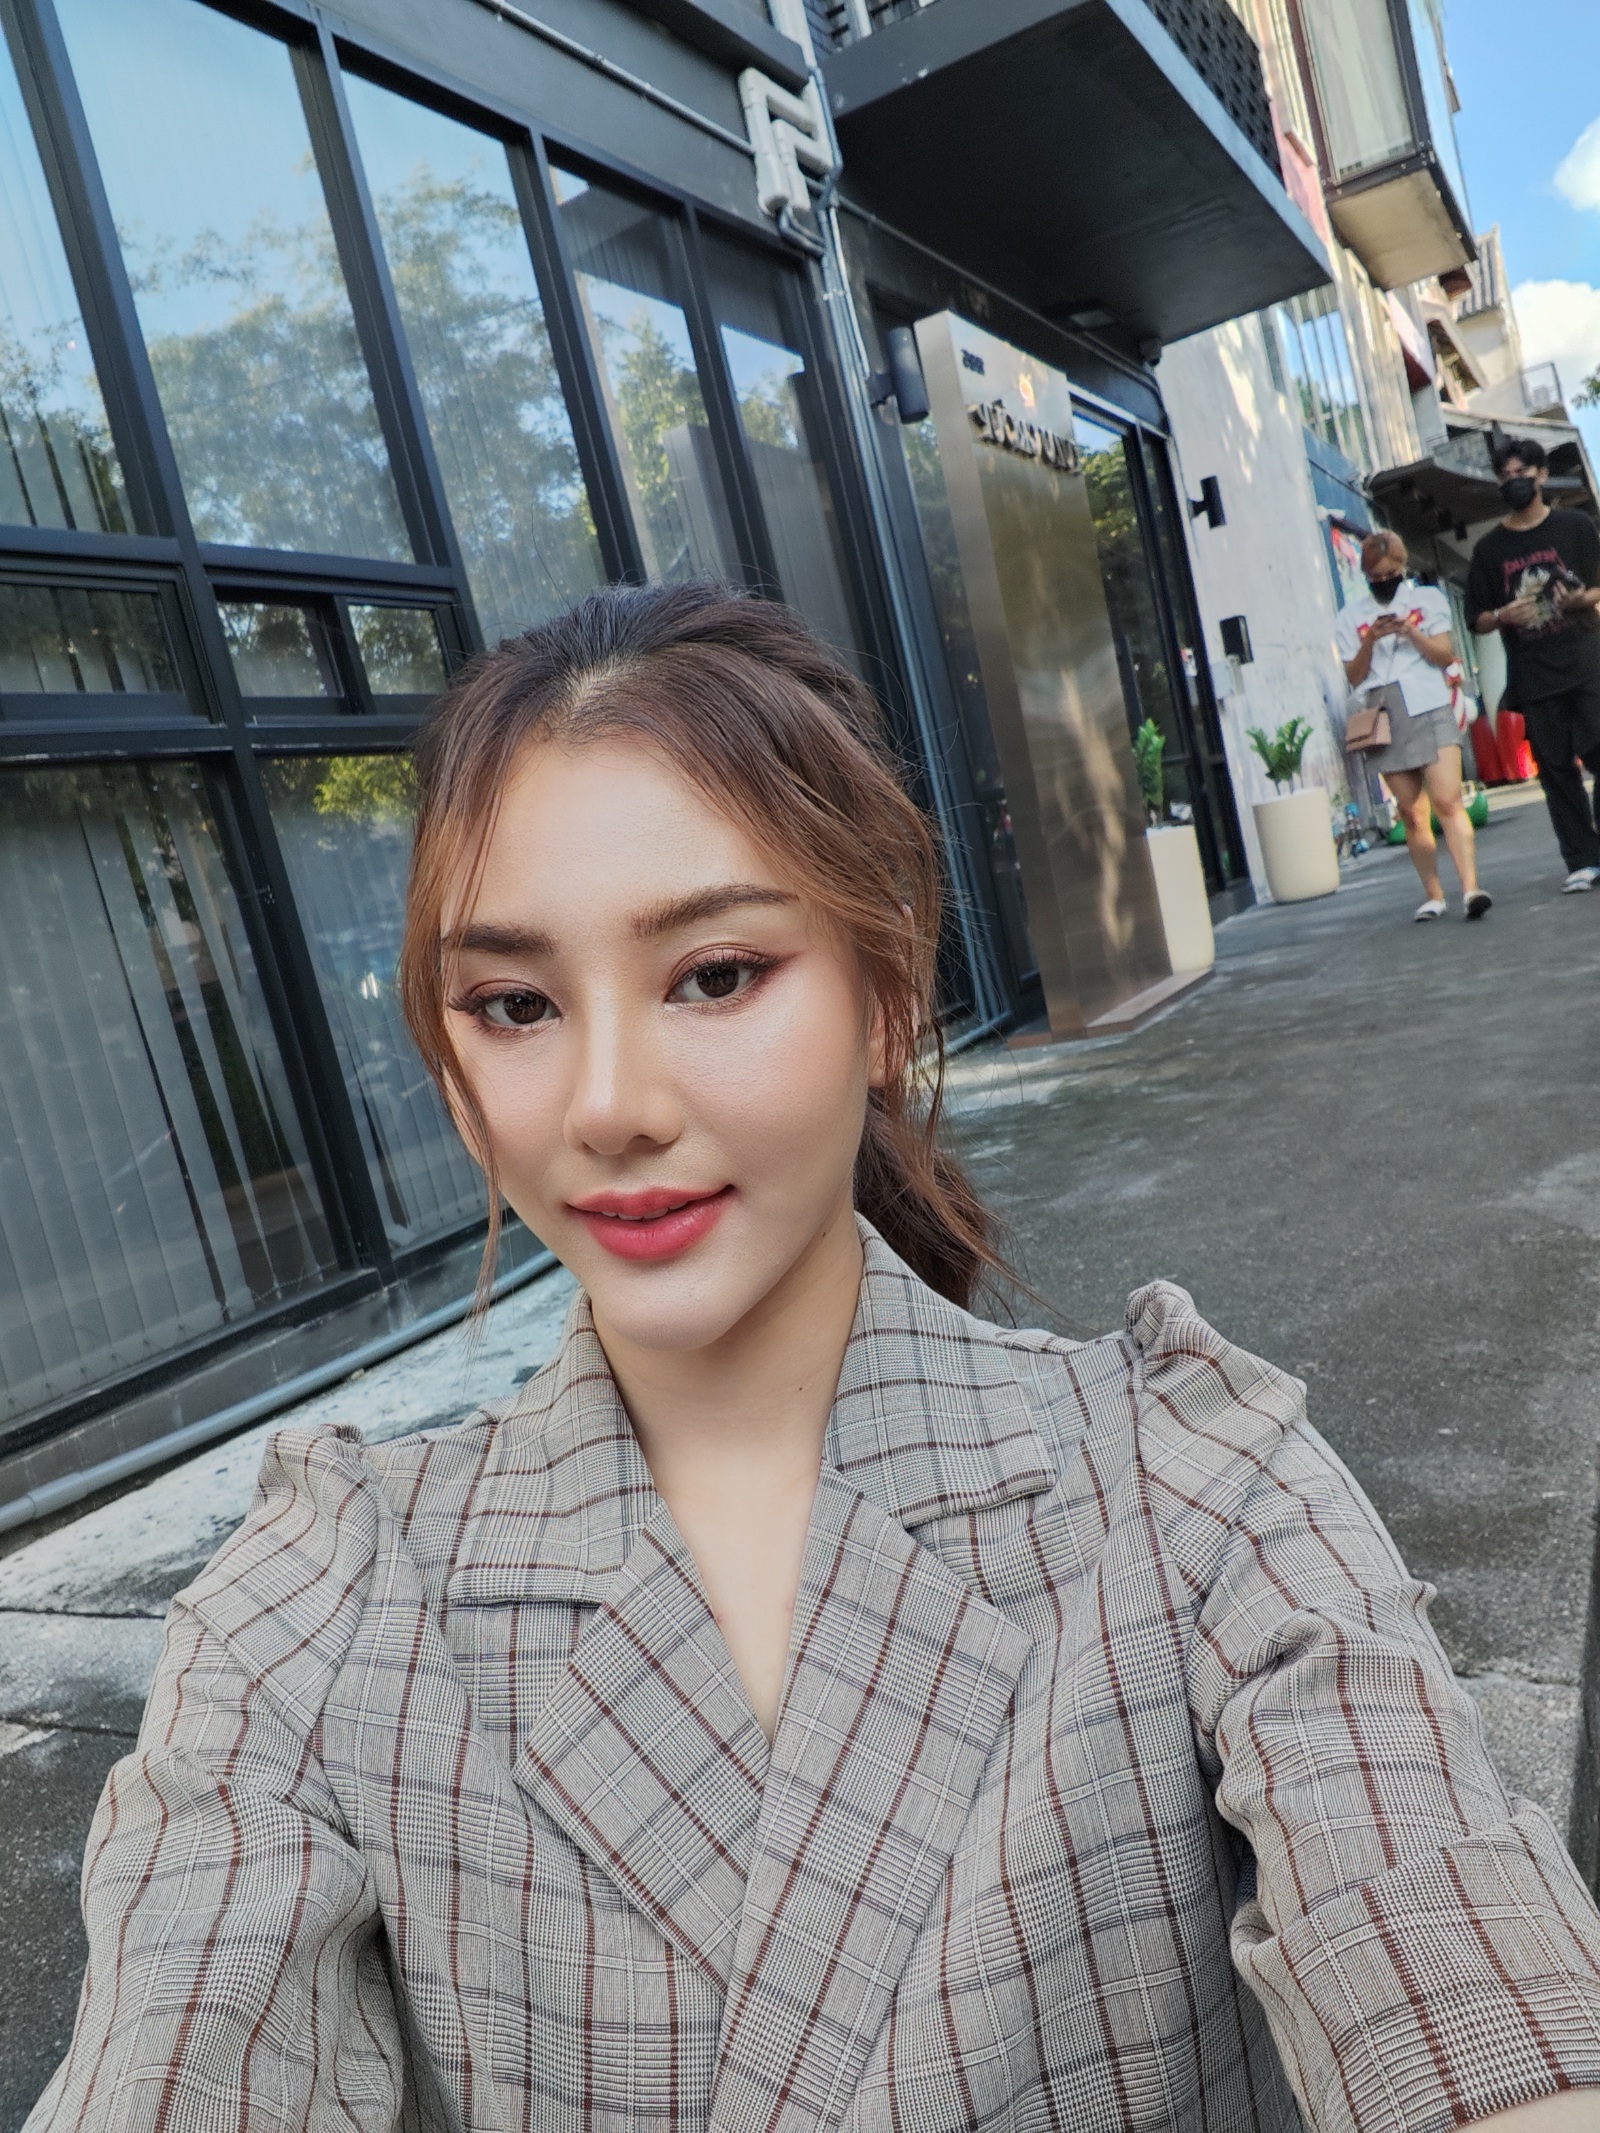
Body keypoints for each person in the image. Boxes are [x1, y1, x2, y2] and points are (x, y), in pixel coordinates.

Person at [27, 584, 1600, 2133]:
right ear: (452, 1072)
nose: (609, 1105)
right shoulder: (323, 1599)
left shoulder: (1193, 1482)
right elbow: (184, 2032)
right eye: (514, 1004)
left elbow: (1452, 1945)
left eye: (715, 974)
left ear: (885, 991)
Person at [1467, 436, 1600, 892]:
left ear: (1542, 475)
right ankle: (1583, 860)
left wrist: (1582, 599)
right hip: (1533, 675)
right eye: (1505, 477)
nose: (1514, 482)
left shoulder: (1576, 526)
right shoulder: (1489, 550)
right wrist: (1502, 615)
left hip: (1587, 661)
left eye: (1522, 473)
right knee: (1556, 770)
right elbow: (1476, 618)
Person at [1338, 530, 1491, 921]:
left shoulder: (1427, 600)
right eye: (1376, 576)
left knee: (1447, 799)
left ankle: (1470, 888)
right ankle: (1433, 894)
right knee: (1411, 811)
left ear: (1403, 568)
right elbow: (1353, 675)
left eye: (1391, 574)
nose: (1384, 581)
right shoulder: (1350, 616)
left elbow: (1444, 655)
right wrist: (1370, 640)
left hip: (1430, 701)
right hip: (1384, 711)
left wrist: (1410, 631)